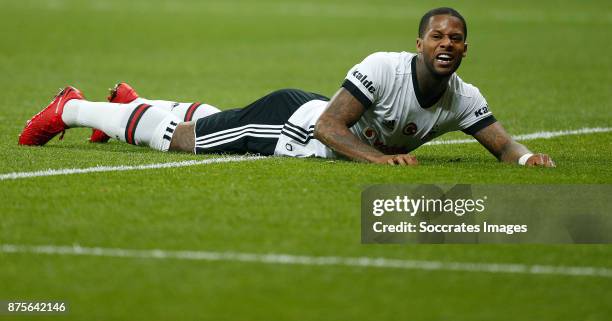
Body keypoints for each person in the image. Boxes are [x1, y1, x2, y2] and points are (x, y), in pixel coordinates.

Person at [18, 7, 555, 167]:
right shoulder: (384, 68)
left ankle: (132, 105)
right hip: (291, 127)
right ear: (419, 43)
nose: (446, 44)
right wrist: (378, 160)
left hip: (298, 119)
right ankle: (73, 109)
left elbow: (504, 144)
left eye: (455, 39)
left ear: (464, 49)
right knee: (182, 140)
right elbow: (327, 126)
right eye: (437, 35)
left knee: (212, 120)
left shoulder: (464, 96)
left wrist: (528, 160)